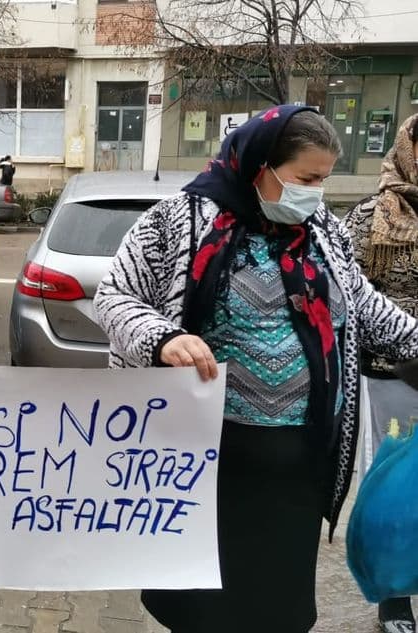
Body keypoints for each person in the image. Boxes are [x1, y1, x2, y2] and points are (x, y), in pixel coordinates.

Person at [93, 105, 418, 633]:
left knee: (278, 610)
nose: (314, 193)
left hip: (296, 470)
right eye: (306, 178)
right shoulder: (178, 220)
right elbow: (115, 298)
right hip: (205, 466)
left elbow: (363, 306)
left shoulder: (323, 232)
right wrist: (163, 338)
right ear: (261, 165)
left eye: (324, 180)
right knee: (203, 611)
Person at [343, 112, 418, 633]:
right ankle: (394, 598)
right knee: (393, 488)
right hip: (393, 380)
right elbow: (346, 298)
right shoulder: (370, 217)